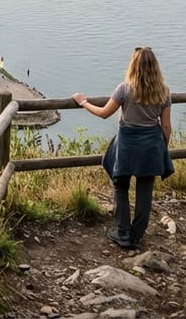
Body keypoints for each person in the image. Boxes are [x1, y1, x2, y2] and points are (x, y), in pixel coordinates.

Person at [72, 47, 173, 250]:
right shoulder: (164, 91)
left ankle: (123, 232)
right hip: (151, 143)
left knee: (120, 185)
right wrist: (162, 148)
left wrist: (83, 102)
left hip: (128, 143)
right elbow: (166, 126)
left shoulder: (124, 89)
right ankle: (137, 235)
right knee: (145, 190)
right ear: (155, 67)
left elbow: (103, 113)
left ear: (133, 65)